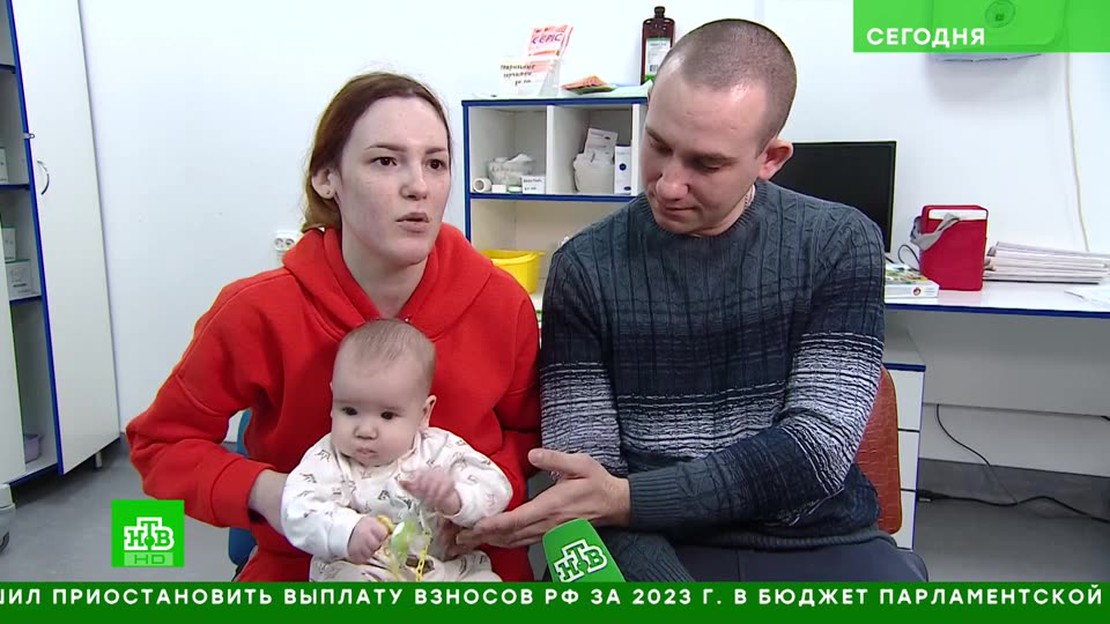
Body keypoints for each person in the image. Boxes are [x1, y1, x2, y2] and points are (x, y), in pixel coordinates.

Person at [460, 19, 928, 581]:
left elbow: (815, 451)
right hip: (644, 541)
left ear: (770, 158)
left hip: (813, 538)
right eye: (658, 145)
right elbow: (584, 479)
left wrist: (629, 498)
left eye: (706, 164)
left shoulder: (839, 243)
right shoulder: (584, 266)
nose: (667, 184)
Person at [126, 71, 540, 582]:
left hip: (471, 563)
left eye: (435, 163)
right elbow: (161, 444)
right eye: (386, 161)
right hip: (306, 565)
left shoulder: (501, 302)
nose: (418, 186)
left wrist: (477, 498)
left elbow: (529, 434)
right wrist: (267, 492)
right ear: (327, 179)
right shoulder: (254, 310)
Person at [282, 319, 511, 582]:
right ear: (333, 401)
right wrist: (348, 530)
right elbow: (296, 510)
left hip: (440, 570)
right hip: (365, 569)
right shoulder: (328, 458)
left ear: (423, 413)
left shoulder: (441, 449)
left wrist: (454, 498)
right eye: (350, 411)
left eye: (387, 415)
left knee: (486, 583)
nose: (365, 430)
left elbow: (497, 488)